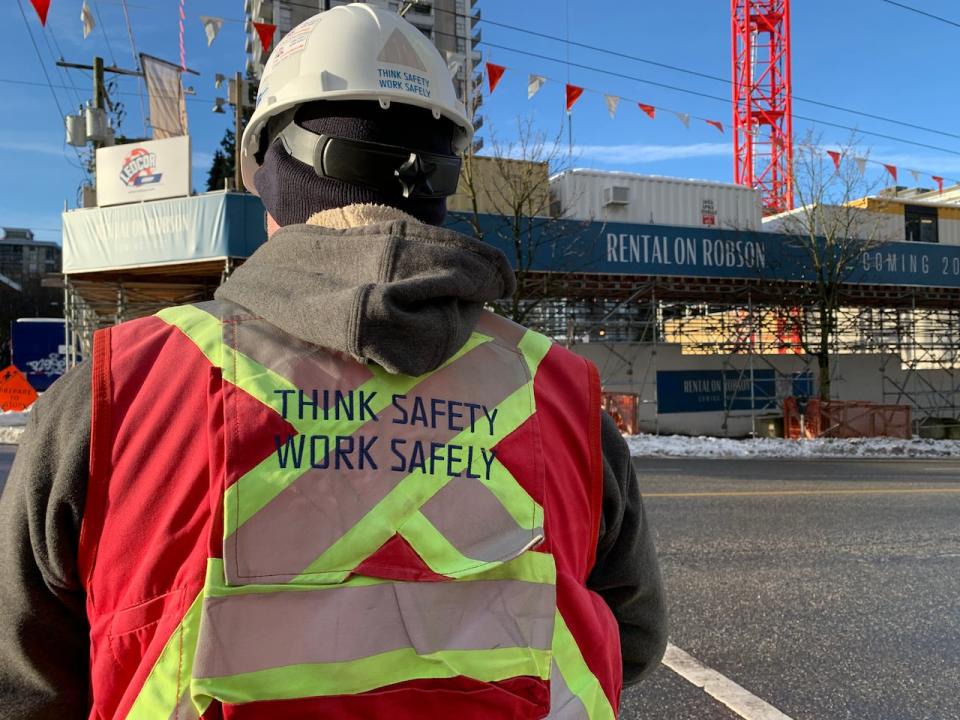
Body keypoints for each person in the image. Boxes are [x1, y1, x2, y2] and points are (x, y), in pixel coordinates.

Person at [0, 5, 666, 718]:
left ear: (272, 174)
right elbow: (633, 639)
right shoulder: (559, 394)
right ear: (441, 183)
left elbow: (29, 683)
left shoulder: (118, 392)